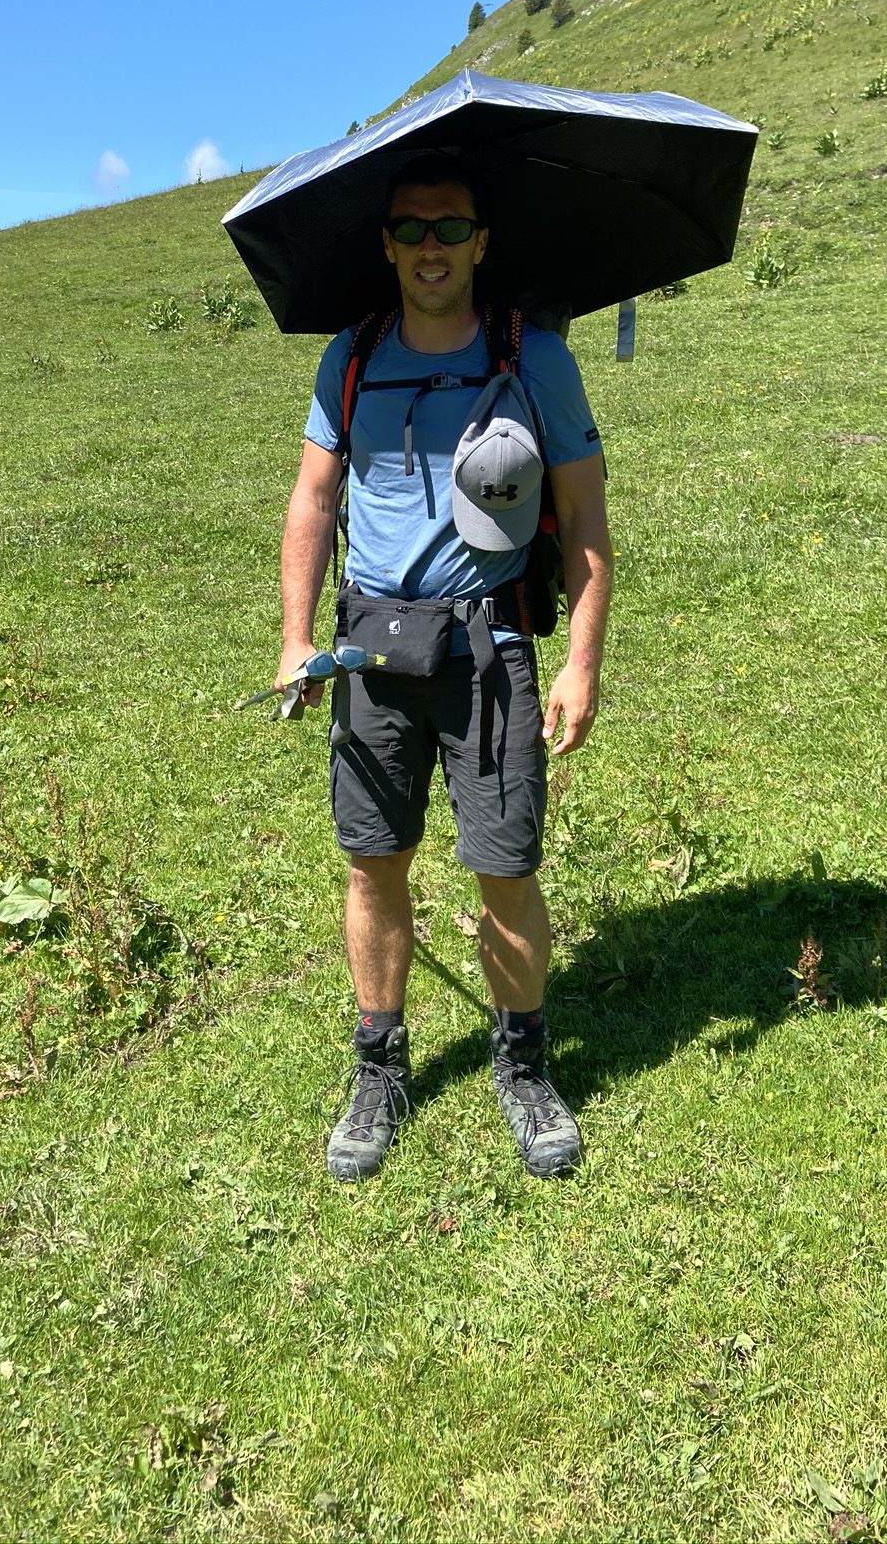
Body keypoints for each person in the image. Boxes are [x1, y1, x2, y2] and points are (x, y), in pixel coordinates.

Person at [274, 155, 613, 1180]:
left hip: (492, 649)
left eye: (450, 226)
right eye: (412, 228)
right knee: (374, 862)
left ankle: (522, 1064)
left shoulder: (535, 356)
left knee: (505, 866)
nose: (431, 246)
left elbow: (588, 519)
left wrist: (581, 662)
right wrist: (298, 637)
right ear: (386, 244)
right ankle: (378, 1068)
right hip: (374, 649)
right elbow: (313, 503)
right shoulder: (351, 356)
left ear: (481, 242)